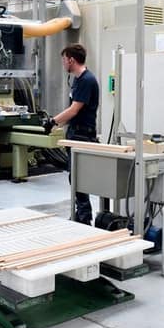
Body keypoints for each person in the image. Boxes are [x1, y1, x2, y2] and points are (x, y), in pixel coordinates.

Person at [43, 43, 100, 225]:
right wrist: (57, 125)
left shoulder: (86, 80)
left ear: (71, 60)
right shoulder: (78, 80)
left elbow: (74, 109)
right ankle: (82, 213)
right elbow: (74, 112)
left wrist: (53, 121)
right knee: (74, 176)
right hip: (75, 132)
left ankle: (84, 216)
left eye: (64, 60)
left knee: (78, 176)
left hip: (83, 135)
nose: (63, 63)